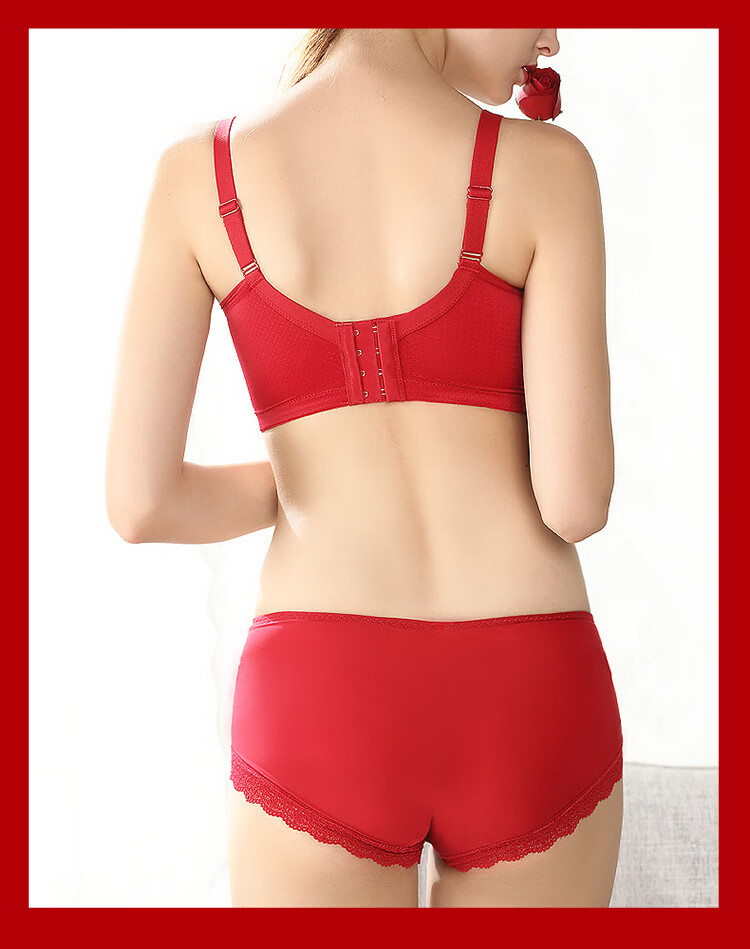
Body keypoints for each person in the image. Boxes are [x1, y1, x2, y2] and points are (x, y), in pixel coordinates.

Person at [105, 28, 623, 908]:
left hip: (318, 695)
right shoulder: (549, 169)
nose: (551, 35)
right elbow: (573, 502)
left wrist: (312, 479)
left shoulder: (200, 177)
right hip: (529, 693)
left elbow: (140, 502)